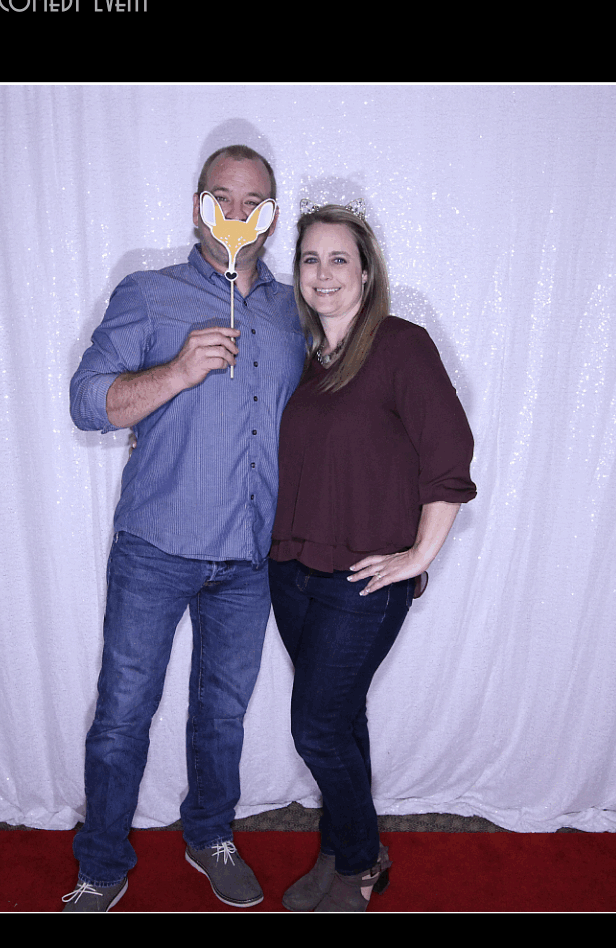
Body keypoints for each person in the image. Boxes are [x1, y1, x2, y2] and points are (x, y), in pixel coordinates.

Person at [63, 146, 304, 912]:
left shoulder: (294, 313)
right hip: (156, 548)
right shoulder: (148, 294)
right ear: (197, 205)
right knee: (123, 713)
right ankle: (102, 865)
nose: (236, 214)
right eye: (221, 197)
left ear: (272, 216)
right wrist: (176, 372)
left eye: (253, 202)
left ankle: (208, 834)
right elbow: (87, 402)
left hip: (251, 556)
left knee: (223, 714)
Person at [269, 203, 476, 912]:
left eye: (339, 259)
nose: (323, 273)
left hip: (362, 581)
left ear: (365, 273)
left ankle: (361, 861)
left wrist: (418, 556)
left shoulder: (399, 345)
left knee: (315, 727)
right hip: (291, 573)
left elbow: (450, 455)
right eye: (310, 259)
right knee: (340, 717)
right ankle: (336, 847)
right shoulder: (302, 361)